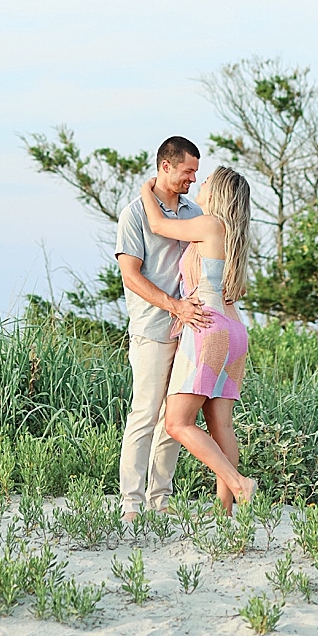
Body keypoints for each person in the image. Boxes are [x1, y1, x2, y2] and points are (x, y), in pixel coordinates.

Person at [140, 165, 256, 511]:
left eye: (206, 181)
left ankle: (239, 483)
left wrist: (148, 188)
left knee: (177, 422)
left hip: (207, 327)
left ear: (217, 191)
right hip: (234, 330)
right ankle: (226, 513)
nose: (199, 184)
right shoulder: (235, 236)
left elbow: (158, 225)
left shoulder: (209, 225)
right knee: (221, 424)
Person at [115, 136, 212, 521]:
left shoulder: (193, 210)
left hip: (189, 331)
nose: (192, 178)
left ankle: (161, 500)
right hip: (152, 328)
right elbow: (130, 276)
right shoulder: (134, 214)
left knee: (174, 419)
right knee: (145, 413)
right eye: (188, 170)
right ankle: (131, 505)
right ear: (166, 166)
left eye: (196, 173)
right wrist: (174, 306)